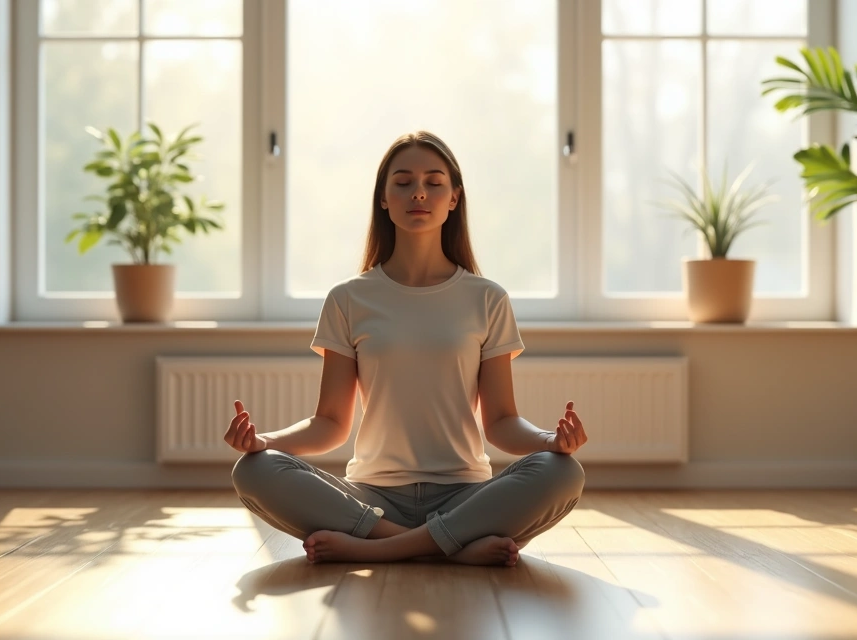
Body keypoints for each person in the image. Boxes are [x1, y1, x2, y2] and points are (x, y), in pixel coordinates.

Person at [228, 131, 587, 567]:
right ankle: (445, 547)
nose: (418, 191)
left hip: (465, 495)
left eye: (434, 182)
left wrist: (551, 441)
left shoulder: (487, 299)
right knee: (253, 470)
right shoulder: (348, 299)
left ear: (454, 198)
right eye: (403, 182)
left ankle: (381, 550)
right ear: (383, 198)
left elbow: (502, 423)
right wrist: (264, 441)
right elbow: (330, 424)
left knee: (563, 472)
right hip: (372, 500)